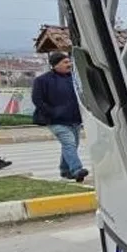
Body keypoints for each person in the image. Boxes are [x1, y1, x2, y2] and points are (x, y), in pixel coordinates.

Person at [32, 52, 88, 182]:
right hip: (56, 121)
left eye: (69, 62)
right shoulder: (42, 80)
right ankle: (77, 170)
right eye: (65, 62)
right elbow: (37, 100)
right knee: (69, 143)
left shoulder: (74, 79)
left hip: (75, 119)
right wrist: (52, 112)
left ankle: (65, 170)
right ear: (55, 65)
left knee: (72, 145)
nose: (69, 64)